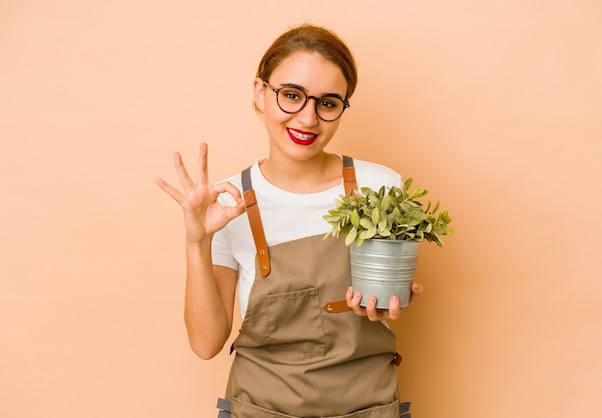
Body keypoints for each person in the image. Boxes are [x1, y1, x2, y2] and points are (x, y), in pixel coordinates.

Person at [156, 23, 422, 418]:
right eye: (292, 96)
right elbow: (206, 342)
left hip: (366, 409)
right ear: (260, 93)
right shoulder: (224, 202)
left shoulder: (379, 187)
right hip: (259, 409)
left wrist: (388, 302)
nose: (308, 118)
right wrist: (197, 240)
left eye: (328, 103)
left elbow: (387, 291)